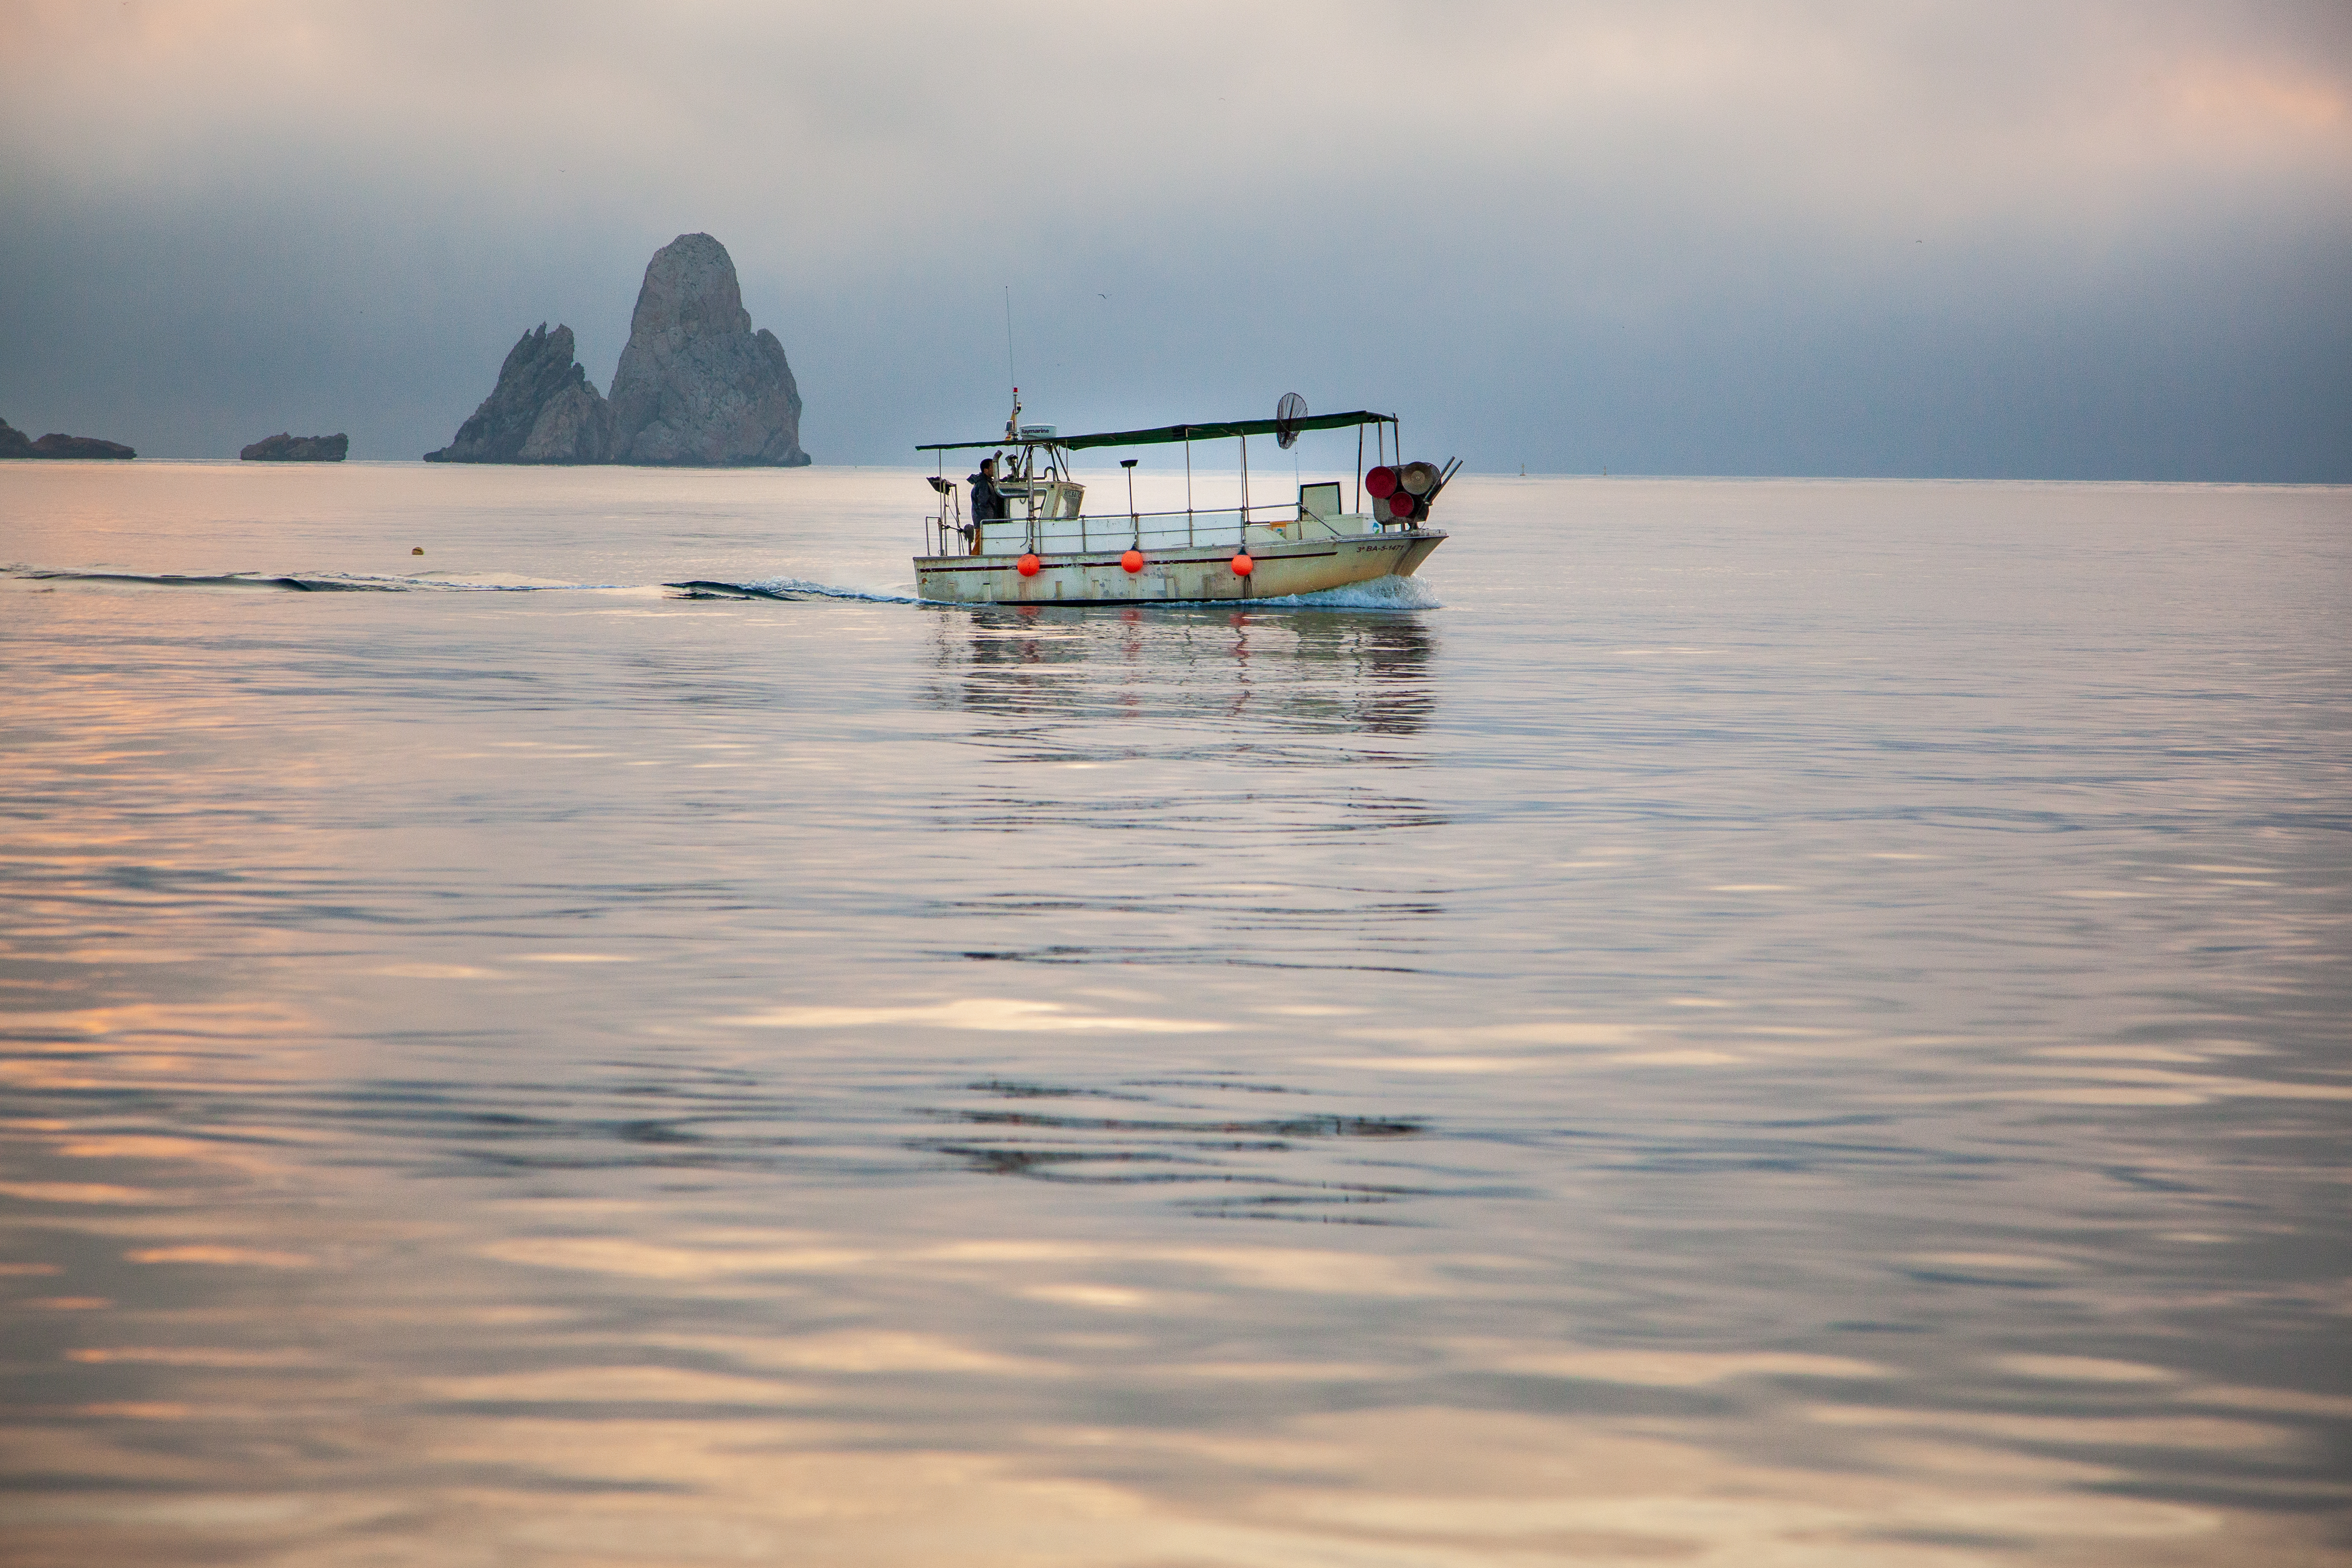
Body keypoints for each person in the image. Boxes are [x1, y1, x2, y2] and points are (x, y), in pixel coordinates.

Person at [967, 455, 1007, 554]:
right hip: (983, 521)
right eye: (992, 467)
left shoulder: (986, 482)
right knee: (980, 544)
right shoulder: (984, 484)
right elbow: (983, 504)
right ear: (986, 470)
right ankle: (973, 563)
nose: (995, 470)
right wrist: (987, 522)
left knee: (982, 543)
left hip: (984, 520)